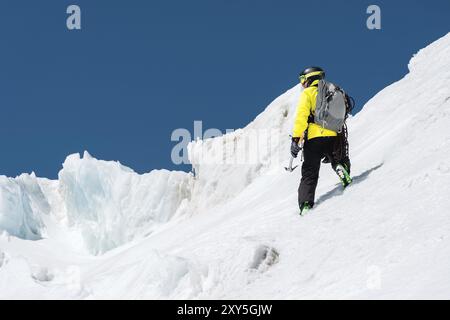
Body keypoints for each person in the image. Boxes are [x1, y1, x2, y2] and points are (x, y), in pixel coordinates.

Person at [291, 67, 352, 216]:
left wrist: (295, 139)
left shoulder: (308, 93)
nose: (302, 83)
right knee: (337, 157)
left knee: (309, 172)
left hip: (314, 138)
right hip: (334, 134)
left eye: (302, 79)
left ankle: (306, 204)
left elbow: (301, 117)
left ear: (310, 78)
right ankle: (341, 168)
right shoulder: (333, 90)